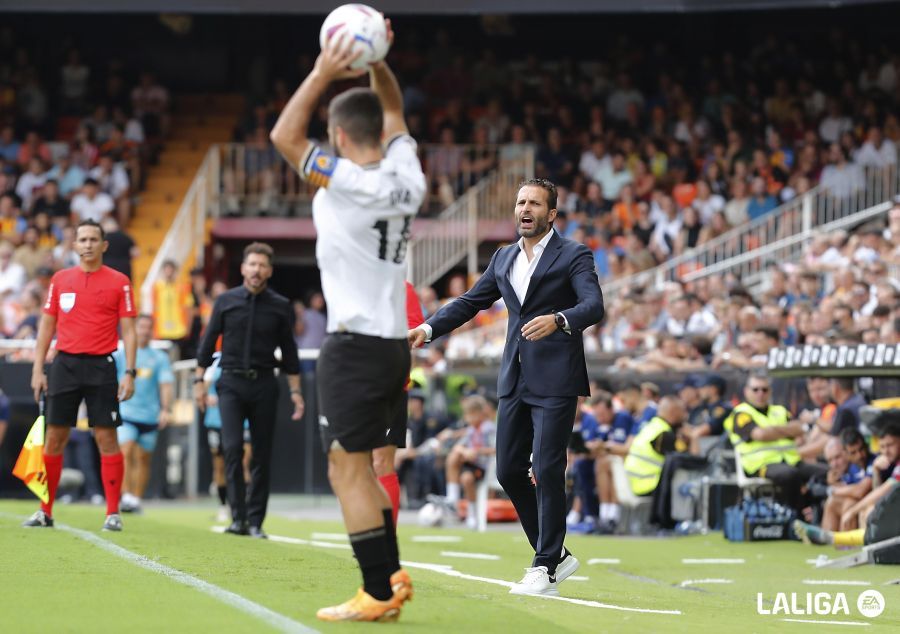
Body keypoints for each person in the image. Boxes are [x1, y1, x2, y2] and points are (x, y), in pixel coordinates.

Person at [270, 21, 424, 622]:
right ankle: (389, 579)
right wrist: (378, 61)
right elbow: (395, 109)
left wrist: (323, 70)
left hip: (355, 345)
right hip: (391, 346)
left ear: (336, 134)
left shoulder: (347, 182)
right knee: (365, 467)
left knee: (347, 470)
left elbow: (284, 135)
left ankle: (378, 593)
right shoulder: (407, 173)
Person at [409, 177, 605, 596]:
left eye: (534, 203)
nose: (525, 209)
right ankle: (556, 554)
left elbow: (594, 304)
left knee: (548, 467)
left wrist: (560, 319)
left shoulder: (574, 254)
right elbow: (469, 303)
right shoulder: (502, 258)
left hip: (556, 378)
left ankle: (545, 564)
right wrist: (427, 329)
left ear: (551, 213)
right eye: (520, 202)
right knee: (507, 470)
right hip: (513, 377)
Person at [24, 218, 137, 531]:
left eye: (93, 239)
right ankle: (45, 511)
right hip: (65, 365)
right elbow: (47, 325)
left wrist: (129, 371)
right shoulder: (61, 279)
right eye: (82, 239)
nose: (87, 245)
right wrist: (38, 369)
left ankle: (112, 513)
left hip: (102, 365)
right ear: (74, 245)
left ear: (104, 245)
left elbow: (128, 329)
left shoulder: (119, 281)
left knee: (106, 437)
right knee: (55, 438)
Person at [194, 242, 303, 539]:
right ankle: (237, 518)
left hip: (265, 383)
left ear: (269, 270)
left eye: (262, 265)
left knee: (261, 454)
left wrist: (296, 392)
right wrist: (198, 382)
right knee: (231, 449)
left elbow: (290, 352)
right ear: (243, 268)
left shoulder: (280, 306)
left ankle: (256, 521)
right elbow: (207, 343)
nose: (256, 270)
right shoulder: (226, 301)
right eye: (251, 264)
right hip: (230, 383)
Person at [724, 374, 827, 512]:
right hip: (759, 465)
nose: (760, 393)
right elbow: (760, 435)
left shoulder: (780, 411)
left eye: (764, 389)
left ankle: (816, 514)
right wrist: (787, 430)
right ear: (746, 391)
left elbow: (799, 430)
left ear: (770, 391)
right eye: (755, 389)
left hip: (790, 460)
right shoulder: (741, 413)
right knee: (789, 475)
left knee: (826, 473)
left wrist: (772, 431)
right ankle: (794, 515)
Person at [794, 417, 900, 546]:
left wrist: (849, 507)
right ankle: (828, 542)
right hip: (888, 506)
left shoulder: (876, 461)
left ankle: (840, 542)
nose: (860, 455)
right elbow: (878, 490)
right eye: (883, 446)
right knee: (835, 502)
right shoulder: (868, 465)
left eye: (890, 445)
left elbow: (864, 491)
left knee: (863, 509)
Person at [372, 281, 425, 525]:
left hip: (388, 386)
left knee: (381, 461)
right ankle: (365, 530)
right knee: (352, 465)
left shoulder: (402, 288)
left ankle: (384, 538)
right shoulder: (349, 283)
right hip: (350, 387)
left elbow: (415, 334)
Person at [113, 314, 174, 514]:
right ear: (134, 328)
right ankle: (126, 495)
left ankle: (136, 498)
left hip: (149, 415)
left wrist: (165, 409)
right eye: (141, 326)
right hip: (127, 412)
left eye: (149, 327)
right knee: (126, 451)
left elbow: (165, 384)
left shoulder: (160, 357)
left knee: (143, 458)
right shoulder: (122, 354)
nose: (145, 331)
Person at [203, 351, 254, 523]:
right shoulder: (215, 360)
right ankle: (223, 506)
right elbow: (203, 384)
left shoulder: (250, 356)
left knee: (244, 462)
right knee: (220, 466)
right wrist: (206, 394)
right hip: (216, 420)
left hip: (244, 420)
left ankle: (242, 506)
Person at [624, 396, 688, 496]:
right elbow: (689, 461)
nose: (685, 415)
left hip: (635, 484)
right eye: (683, 411)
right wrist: (694, 437)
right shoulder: (664, 434)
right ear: (673, 411)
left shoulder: (652, 427)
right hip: (649, 486)